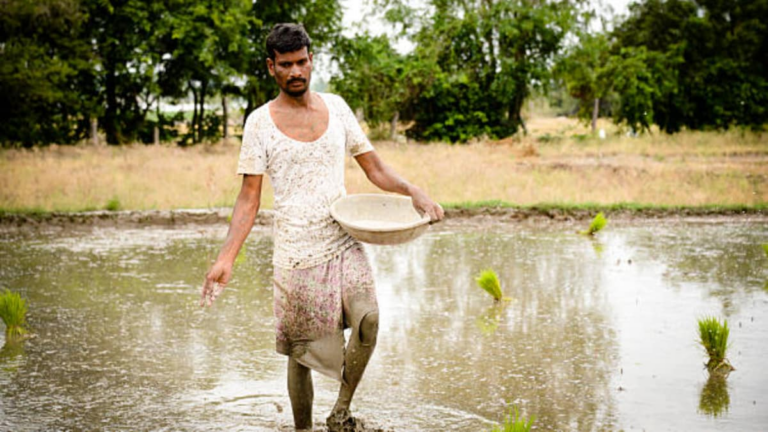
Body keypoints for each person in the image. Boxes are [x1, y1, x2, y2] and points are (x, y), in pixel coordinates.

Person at [200, 23, 444, 431]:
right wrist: (226, 257)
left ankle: (340, 412)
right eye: (286, 65)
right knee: (303, 354)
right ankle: (302, 429)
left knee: (369, 319)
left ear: (311, 60)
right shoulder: (259, 124)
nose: (295, 72)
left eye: (301, 62)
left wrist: (412, 191)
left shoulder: (338, 109)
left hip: (342, 238)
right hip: (296, 253)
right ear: (271, 67)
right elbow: (249, 198)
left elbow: (375, 168)